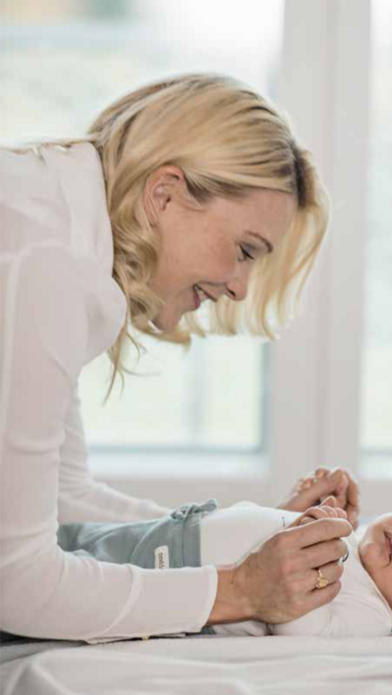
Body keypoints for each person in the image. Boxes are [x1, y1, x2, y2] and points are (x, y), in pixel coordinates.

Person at [0, 73, 359, 643]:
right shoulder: (49, 263)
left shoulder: (58, 227)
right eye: (245, 251)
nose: (240, 287)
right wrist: (240, 589)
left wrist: (244, 537)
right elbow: (16, 583)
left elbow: (64, 497)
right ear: (164, 193)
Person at [56, 470, 392, 639]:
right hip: (173, 531)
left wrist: (308, 550)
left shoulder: (370, 613)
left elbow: (298, 624)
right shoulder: (347, 542)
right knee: (60, 542)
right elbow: (261, 549)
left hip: (171, 572)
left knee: (62, 584)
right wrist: (291, 514)